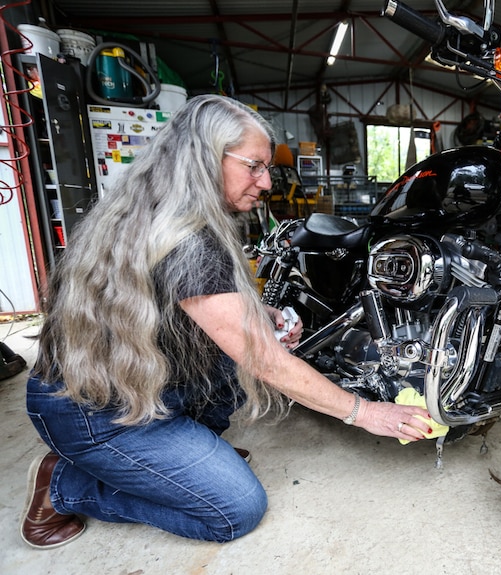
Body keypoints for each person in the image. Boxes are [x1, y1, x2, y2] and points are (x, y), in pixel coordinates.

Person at [21, 94, 431, 549]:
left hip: (137, 382)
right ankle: (64, 486)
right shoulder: (187, 241)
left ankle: (186, 458)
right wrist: (365, 412)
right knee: (234, 510)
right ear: (204, 158)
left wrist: (261, 315)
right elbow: (266, 363)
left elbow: (198, 308)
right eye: (254, 166)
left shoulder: (157, 210)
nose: (266, 182)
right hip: (95, 412)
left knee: (251, 351)